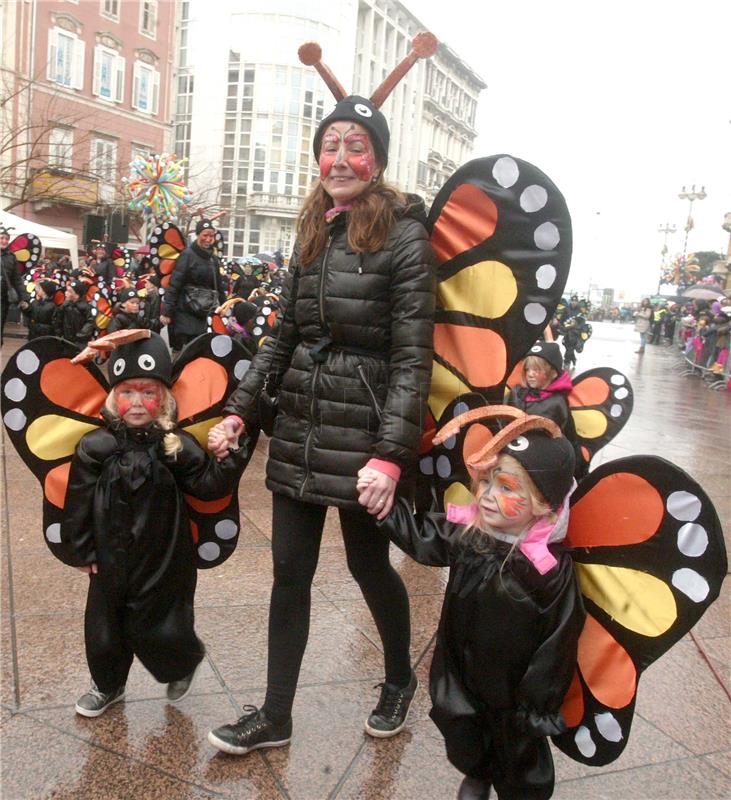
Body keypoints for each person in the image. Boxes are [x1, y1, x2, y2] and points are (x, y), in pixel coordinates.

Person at [206, 92, 436, 755]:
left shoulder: (405, 236)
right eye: (329, 145)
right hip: (303, 422)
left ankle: (397, 679)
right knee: (288, 573)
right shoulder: (312, 228)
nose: (339, 157)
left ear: (378, 159)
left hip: (364, 433)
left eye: (354, 145)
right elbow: (281, 337)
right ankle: (274, 717)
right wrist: (238, 412)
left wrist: (391, 455)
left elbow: (411, 357)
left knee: (369, 568)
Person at [369, 417, 585, 800]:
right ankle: (478, 773)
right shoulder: (471, 534)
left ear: (542, 502)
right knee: (466, 728)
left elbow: (560, 636)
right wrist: (386, 510)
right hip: (463, 672)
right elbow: (424, 536)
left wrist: (537, 700)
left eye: (506, 487)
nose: (486, 494)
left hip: (515, 689)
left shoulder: (546, 568)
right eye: (485, 482)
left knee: (517, 753)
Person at [61, 332, 248, 717]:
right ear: (114, 397)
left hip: (165, 557)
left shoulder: (173, 445)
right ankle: (107, 683)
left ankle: (182, 662)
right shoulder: (96, 446)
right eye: (127, 393)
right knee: (104, 626)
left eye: (147, 392)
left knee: (162, 621)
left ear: (162, 398)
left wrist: (227, 456)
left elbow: (209, 485)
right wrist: (80, 551)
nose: (137, 403)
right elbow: (77, 501)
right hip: (110, 557)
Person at [159, 220, 226, 352]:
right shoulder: (187, 255)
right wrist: (167, 311)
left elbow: (218, 286)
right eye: (204, 235)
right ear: (197, 235)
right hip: (184, 311)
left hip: (203, 313)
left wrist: (224, 307)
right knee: (183, 352)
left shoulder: (213, 259)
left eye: (211, 236)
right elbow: (174, 284)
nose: (208, 239)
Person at [506, 341, 572, 435]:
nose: (529, 374)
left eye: (536, 370)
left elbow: (566, 435)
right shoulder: (516, 393)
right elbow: (500, 420)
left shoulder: (557, 403)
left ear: (553, 373)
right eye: (527, 369)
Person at [1, 225, 29, 342]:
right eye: (2, 238)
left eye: (7, 239)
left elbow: (17, 279)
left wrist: (23, 297)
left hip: (2, 300)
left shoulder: (11, 257)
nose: (4, 241)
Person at [54, 281, 96, 347]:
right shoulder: (65, 306)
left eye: (69, 291)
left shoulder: (86, 308)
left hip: (80, 343)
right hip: (66, 341)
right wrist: (59, 334)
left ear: (77, 295)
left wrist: (79, 336)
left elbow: (90, 323)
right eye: (66, 290)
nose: (66, 293)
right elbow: (58, 320)